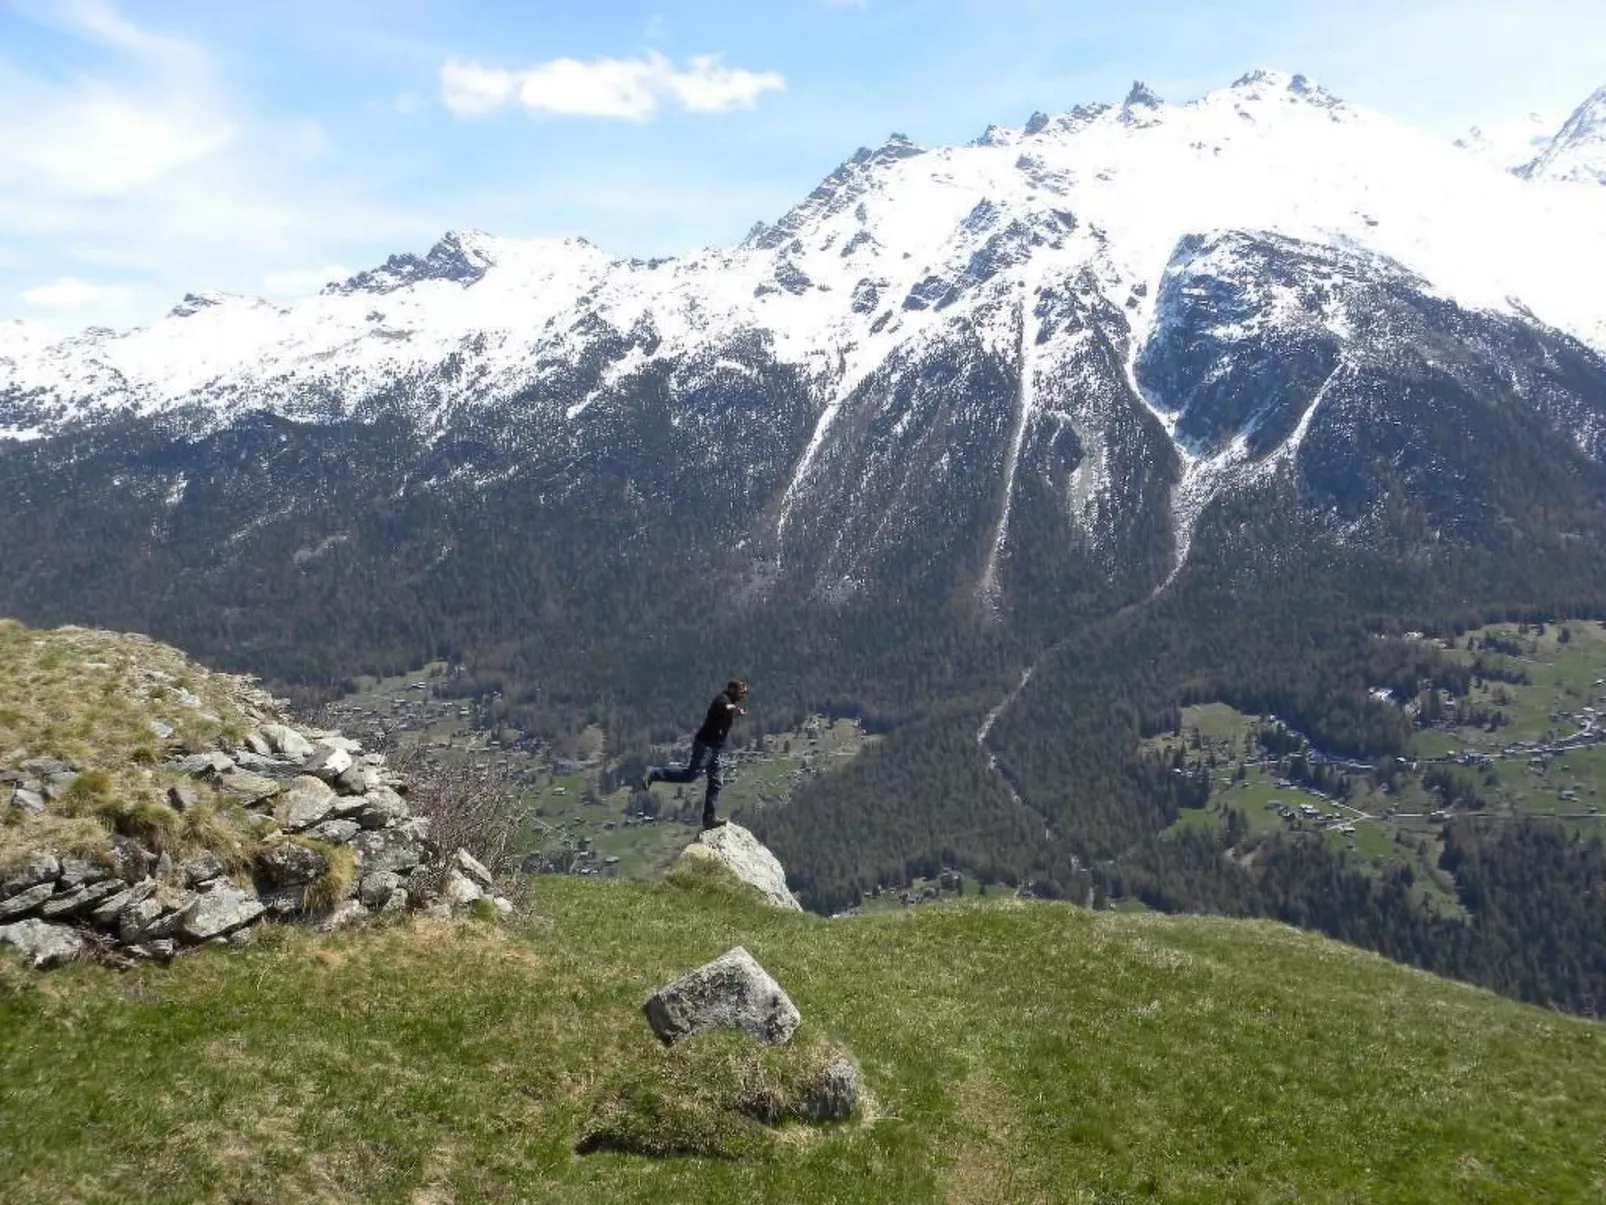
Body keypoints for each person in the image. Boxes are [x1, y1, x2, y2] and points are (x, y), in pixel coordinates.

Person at [644, 679, 749, 830]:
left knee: (716, 782)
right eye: (742, 691)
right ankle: (654, 774)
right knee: (690, 775)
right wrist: (733, 709)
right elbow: (725, 707)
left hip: (715, 749)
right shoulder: (722, 699)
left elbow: (725, 713)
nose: (744, 695)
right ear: (732, 690)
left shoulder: (729, 702)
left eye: (745, 692)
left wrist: (736, 713)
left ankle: (709, 819)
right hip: (705, 746)